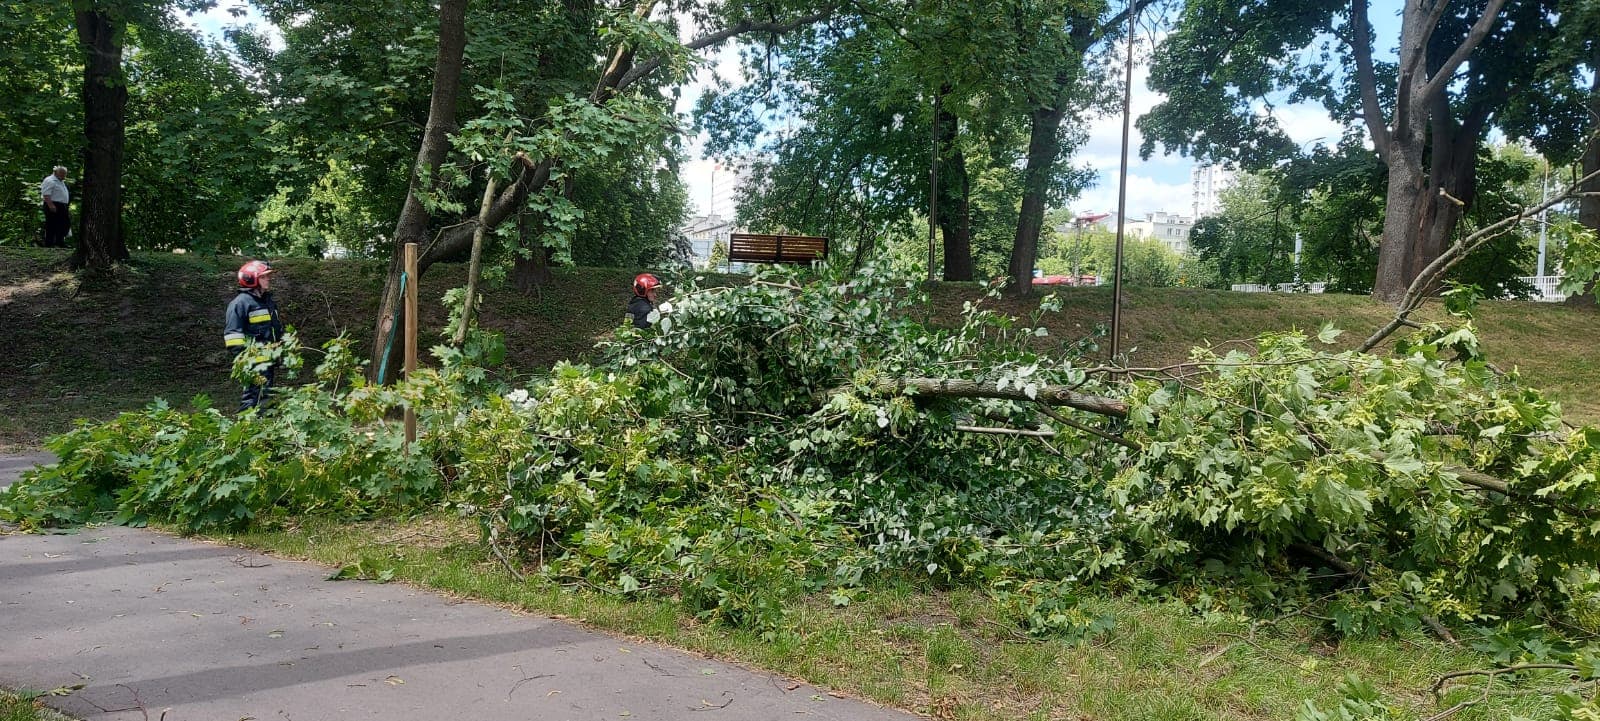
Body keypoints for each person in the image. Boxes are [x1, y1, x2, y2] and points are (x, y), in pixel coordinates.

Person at [224, 260, 285, 412]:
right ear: (252, 280)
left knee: (266, 398)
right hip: (253, 363)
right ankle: (246, 429)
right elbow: (233, 336)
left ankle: (263, 430)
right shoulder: (240, 304)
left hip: (268, 360)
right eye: (264, 277)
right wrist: (246, 360)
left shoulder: (268, 302)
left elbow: (274, 329)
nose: (268, 279)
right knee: (252, 398)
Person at [39, 166, 70, 247]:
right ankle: (49, 243)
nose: (64, 176)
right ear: (56, 172)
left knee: (63, 224)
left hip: (61, 205)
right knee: (51, 224)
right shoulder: (50, 180)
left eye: (65, 174)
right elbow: (46, 194)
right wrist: (51, 205)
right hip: (53, 204)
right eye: (62, 174)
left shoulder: (60, 181)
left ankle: (59, 242)